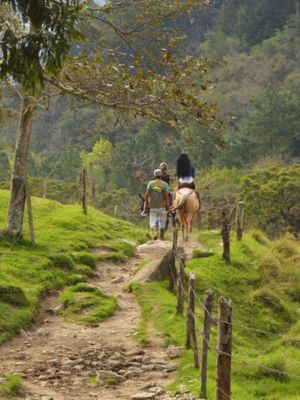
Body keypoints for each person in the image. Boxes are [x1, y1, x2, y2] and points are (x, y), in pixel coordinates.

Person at [144, 169, 170, 240]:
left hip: (152, 206)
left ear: (154, 176)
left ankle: (154, 233)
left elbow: (146, 195)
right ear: (161, 176)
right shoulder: (165, 184)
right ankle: (161, 236)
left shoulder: (150, 183)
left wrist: (146, 206)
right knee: (162, 221)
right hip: (162, 206)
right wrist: (168, 207)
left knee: (152, 221)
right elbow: (167, 197)